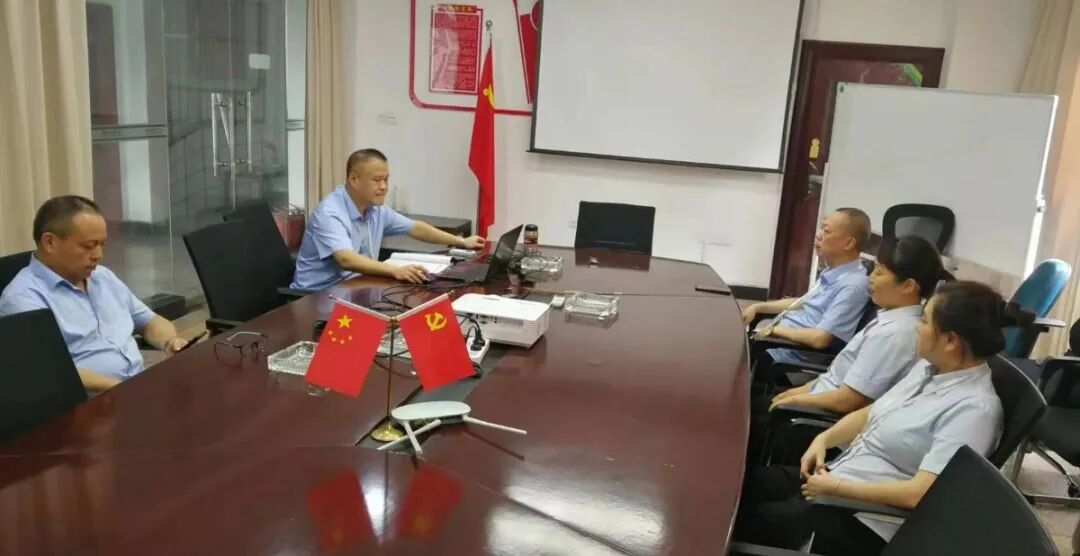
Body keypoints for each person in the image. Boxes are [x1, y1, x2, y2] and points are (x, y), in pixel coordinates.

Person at [734, 281, 1016, 555]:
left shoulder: (974, 410)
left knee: (737, 521)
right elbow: (873, 411)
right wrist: (824, 439)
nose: (917, 328)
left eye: (925, 321)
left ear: (951, 340)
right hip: (836, 476)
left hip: (858, 515)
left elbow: (920, 493)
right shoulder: (930, 369)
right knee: (741, 483)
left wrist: (838, 488)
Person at [0, 196, 187, 392]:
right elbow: (51, 371)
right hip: (91, 402)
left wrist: (170, 341)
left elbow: (150, 321)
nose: (98, 255)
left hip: (134, 386)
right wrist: (125, 390)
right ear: (50, 243)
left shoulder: (102, 277)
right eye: (88, 246)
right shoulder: (23, 299)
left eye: (102, 244)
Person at [767, 236, 945, 414]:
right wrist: (796, 393)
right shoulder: (888, 318)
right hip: (817, 396)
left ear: (908, 286)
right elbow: (834, 377)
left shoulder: (896, 334)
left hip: (822, 414)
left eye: (879, 272)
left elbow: (847, 401)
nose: (871, 278)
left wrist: (794, 399)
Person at [291, 148, 486, 291]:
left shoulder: (376, 209)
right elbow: (346, 259)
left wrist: (461, 242)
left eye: (386, 179)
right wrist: (394, 270)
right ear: (353, 179)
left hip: (355, 286)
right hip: (316, 297)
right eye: (377, 180)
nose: (384, 186)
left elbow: (415, 228)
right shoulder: (330, 213)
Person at [743, 208, 872, 360]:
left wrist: (775, 330)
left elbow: (820, 339)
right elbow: (803, 303)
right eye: (821, 228)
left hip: (785, 357)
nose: (818, 235)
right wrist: (758, 307)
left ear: (849, 243)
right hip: (772, 344)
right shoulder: (833, 272)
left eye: (826, 231)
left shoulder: (854, 285)